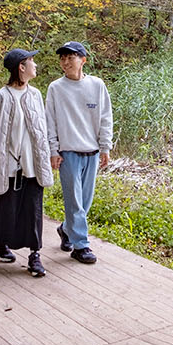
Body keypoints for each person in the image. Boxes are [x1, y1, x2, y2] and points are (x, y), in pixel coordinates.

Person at [0, 48, 53, 277]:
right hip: (8, 166)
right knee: (5, 209)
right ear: (21, 67)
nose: (35, 65)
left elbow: (42, 131)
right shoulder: (1, 97)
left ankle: (34, 255)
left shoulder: (35, 95)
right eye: (32, 61)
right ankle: (1, 244)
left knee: (33, 210)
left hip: (32, 166)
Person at [45, 40, 113, 264]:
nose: (65, 62)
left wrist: (105, 147)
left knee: (85, 201)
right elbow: (50, 121)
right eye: (62, 58)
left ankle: (66, 229)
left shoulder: (96, 85)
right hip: (68, 152)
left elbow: (105, 117)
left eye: (70, 57)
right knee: (74, 201)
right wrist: (53, 150)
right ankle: (81, 245)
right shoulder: (56, 88)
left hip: (91, 151)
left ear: (83, 60)